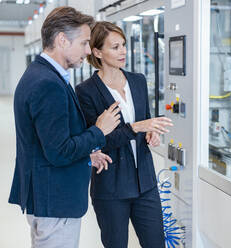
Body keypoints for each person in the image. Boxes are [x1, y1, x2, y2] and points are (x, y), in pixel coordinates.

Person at [8, 7, 121, 248]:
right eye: (84, 43)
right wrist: (99, 130)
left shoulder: (43, 75)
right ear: (62, 40)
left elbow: (47, 142)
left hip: (47, 197)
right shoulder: (48, 84)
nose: (88, 51)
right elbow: (59, 151)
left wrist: (87, 154)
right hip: (55, 202)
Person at [75, 21, 173, 248]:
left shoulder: (137, 81)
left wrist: (150, 133)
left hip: (145, 183)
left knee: (156, 243)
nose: (123, 52)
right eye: (115, 47)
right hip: (111, 187)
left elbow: (145, 122)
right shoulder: (86, 91)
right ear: (97, 52)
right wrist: (136, 127)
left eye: (124, 45)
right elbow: (98, 141)